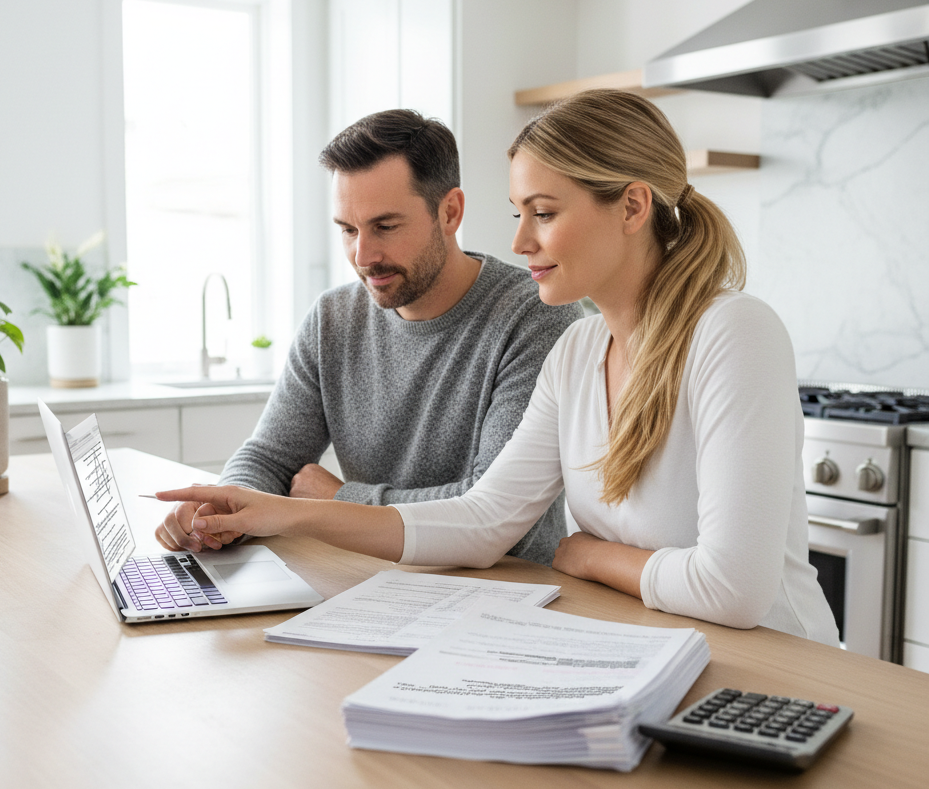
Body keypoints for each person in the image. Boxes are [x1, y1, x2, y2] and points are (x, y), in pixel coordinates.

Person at [155, 90, 839, 643]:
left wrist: (590, 554)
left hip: (775, 665)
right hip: (653, 644)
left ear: (632, 206)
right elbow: (483, 519)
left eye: (543, 212)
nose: (519, 240)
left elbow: (735, 589)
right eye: (519, 212)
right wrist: (276, 513)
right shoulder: (579, 352)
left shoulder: (733, 331)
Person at [156, 108, 583, 566]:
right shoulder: (332, 319)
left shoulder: (536, 316)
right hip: (367, 581)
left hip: (504, 591)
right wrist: (222, 508)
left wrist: (341, 498)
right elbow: (270, 457)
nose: (363, 255)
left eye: (385, 226)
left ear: (450, 212)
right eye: (347, 230)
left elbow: (488, 510)